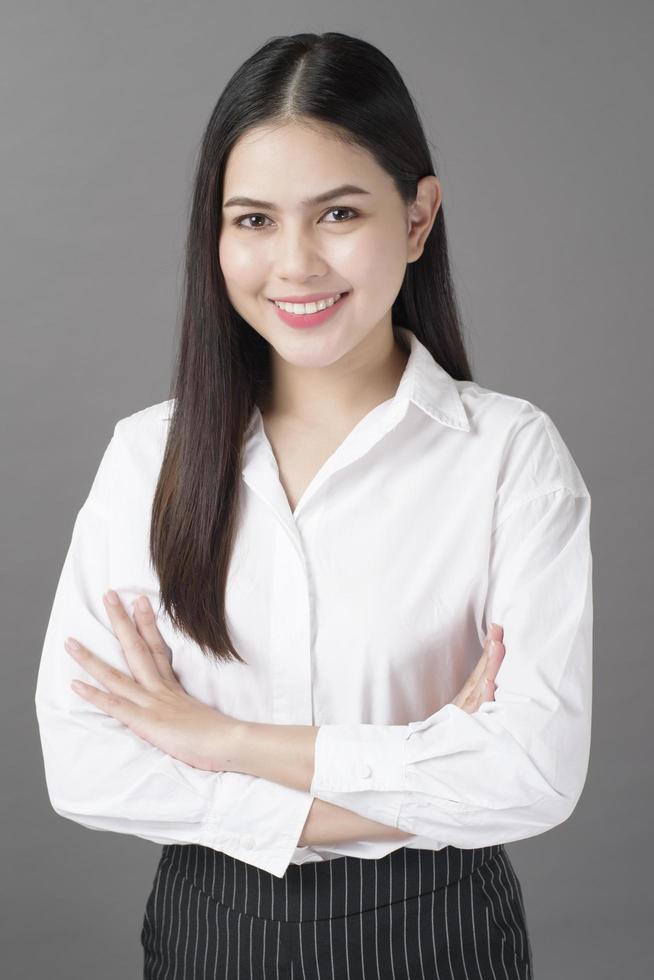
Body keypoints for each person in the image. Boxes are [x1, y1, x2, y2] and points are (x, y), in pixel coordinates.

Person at [34, 31, 593, 980]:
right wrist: (419, 768)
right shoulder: (148, 457)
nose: (293, 264)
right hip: (212, 930)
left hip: (439, 931)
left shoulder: (507, 456)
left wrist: (223, 743)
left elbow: (532, 777)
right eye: (252, 220)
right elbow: (84, 765)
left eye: (337, 212)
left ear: (418, 220)